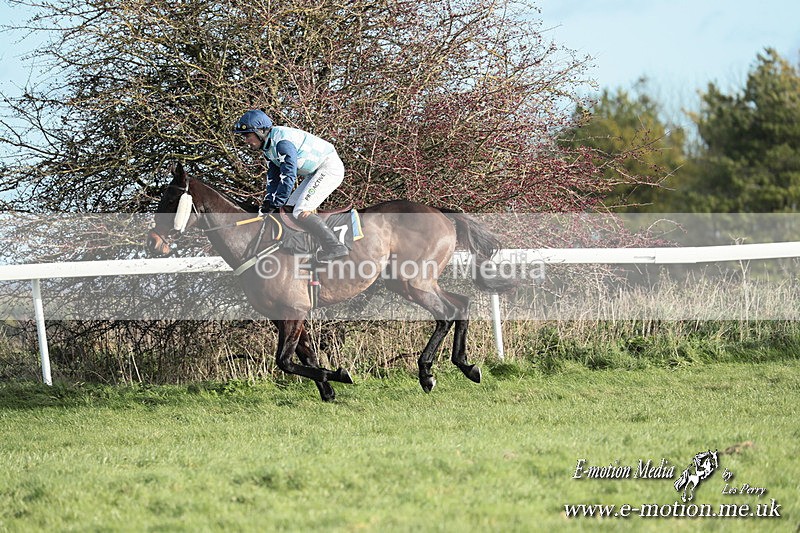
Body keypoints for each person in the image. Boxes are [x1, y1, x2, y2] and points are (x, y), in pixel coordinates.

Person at [232, 109, 349, 261]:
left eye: (248, 135)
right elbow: (273, 178)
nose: (246, 140)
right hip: (315, 172)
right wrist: (269, 201)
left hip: (329, 168)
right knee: (288, 209)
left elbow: (288, 175)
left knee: (300, 210)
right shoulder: (268, 147)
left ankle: (335, 247)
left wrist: (277, 201)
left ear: (260, 131)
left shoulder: (282, 143)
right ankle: (305, 245)